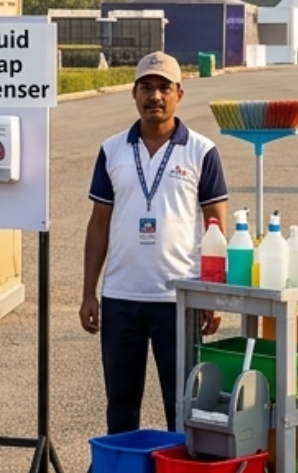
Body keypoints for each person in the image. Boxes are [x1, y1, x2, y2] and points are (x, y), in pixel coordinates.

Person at [80, 52, 229, 434]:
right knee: (121, 406)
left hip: (179, 299)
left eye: (164, 88)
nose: (155, 96)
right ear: (134, 94)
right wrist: (89, 292)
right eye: (146, 87)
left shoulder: (201, 151)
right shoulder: (112, 149)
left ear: (180, 93)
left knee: (182, 407)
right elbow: (99, 224)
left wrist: (214, 294)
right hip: (122, 296)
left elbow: (216, 224)